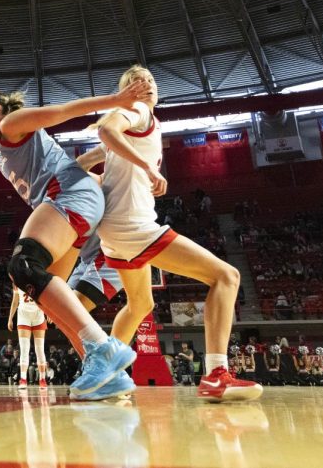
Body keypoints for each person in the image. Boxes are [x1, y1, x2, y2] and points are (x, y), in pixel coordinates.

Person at [80, 65, 260, 402]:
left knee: (140, 303)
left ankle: (105, 374)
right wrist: (147, 167)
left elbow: (79, 164)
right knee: (227, 276)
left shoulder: (135, 124)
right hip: (132, 227)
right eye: (136, 81)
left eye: (150, 80)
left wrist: (90, 181)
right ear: (126, 92)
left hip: (114, 234)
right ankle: (216, 373)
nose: (146, 84)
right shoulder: (137, 110)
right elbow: (105, 128)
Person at [0, 81, 150, 400]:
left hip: (70, 195)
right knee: (49, 298)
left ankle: (103, 349)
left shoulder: (10, 124)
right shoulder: (1, 148)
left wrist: (115, 99)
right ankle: (106, 377)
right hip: (74, 198)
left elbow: (61, 112)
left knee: (23, 265)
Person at [8, 287, 50, 390]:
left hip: (38, 314)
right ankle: (23, 379)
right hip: (23, 315)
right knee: (24, 349)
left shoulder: (38, 276)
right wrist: (10, 318)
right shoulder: (17, 279)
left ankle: (42, 379)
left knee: (40, 349)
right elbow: (15, 300)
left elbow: (47, 296)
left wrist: (49, 312)